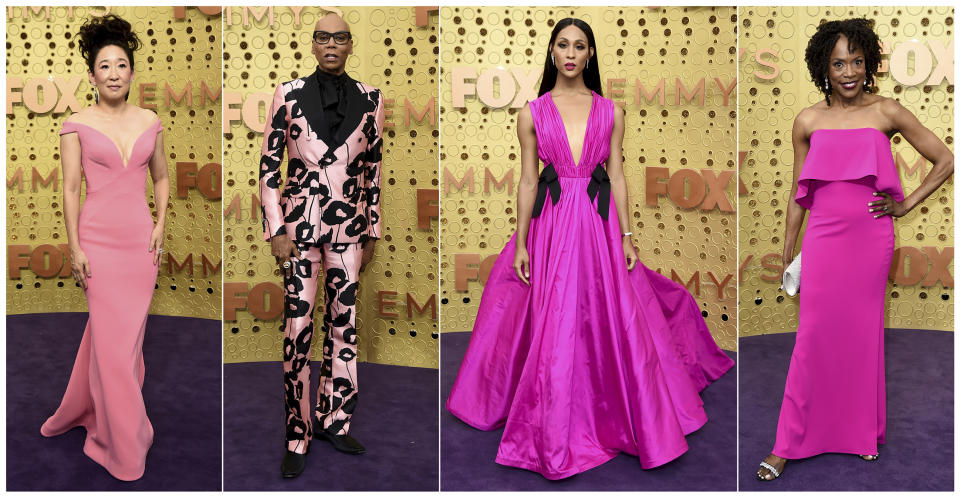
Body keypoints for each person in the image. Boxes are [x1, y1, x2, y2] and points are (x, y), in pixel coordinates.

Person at [446, 17, 735, 480]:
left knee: (607, 314)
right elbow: (526, 181)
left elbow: (617, 175)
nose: (571, 53)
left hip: (598, 225)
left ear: (590, 54)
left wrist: (627, 235)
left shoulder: (612, 111)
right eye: (563, 45)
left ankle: (610, 409)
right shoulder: (532, 112)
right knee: (553, 315)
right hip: (553, 222)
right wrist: (520, 242)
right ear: (552, 52)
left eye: (580, 46)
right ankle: (554, 415)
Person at [756, 18, 954, 481]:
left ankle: (860, 430)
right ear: (823, 66)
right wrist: (789, 240)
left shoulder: (887, 112)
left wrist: (905, 204)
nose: (848, 72)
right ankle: (788, 442)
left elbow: (945, 159)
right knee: (812, 336)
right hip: (822, 236)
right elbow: (796, 189)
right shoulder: (807, 119)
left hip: (870, 238)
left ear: (869, 63)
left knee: (863, 334)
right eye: (838, 62)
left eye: (857, 62)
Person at [40, 14, 169, 481]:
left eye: (121, 65)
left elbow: (161, 177)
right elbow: (70, 190)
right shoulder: (76, 123)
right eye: (104, 66)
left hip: (140, 245)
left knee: (123, 343)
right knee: (113, 349)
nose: (114, 73)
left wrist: (161, 224)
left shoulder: (151, 121)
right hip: (97, 244)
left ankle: (93, 411)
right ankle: (123, 444)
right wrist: (74, 247)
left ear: (132, 71)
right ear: (92, 75)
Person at [259, 12, 384, 478]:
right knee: (298, 330)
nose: (331, 44)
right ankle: (298, 431)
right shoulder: (287, 94)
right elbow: (270, 164)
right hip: (299, 232)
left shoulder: (372, 100)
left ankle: (336, 419)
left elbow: (372, 172)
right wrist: (275, 229)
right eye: (322, 37)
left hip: (350, 230)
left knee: (344, 326)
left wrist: (372, 229)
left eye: (340, 38)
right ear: (312, 45)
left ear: (351, 45)